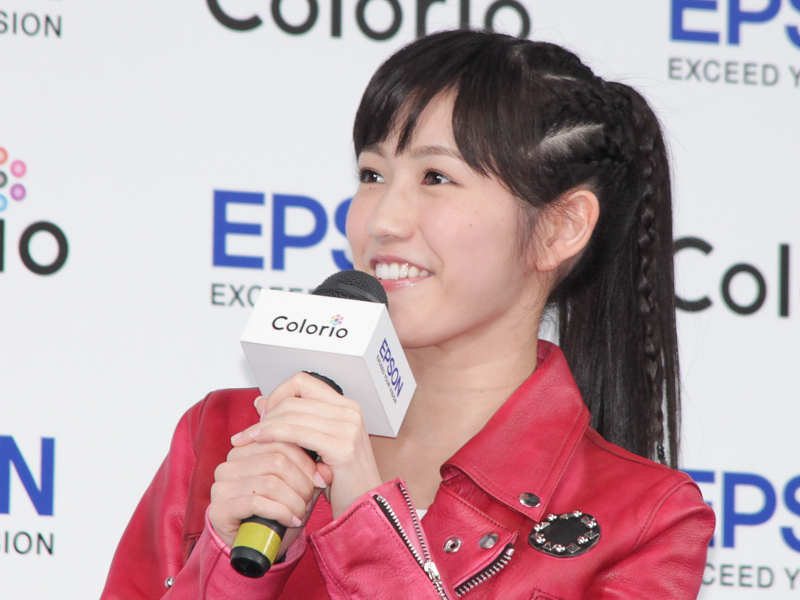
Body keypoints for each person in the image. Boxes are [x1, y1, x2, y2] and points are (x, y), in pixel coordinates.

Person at [101, 30, 715, 599]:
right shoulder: (227, 434)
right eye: (372, 174)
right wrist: (226, 565)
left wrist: (366, 521)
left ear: (561, 227)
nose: (384, 220)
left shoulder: (645, 520)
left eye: (436, 177)